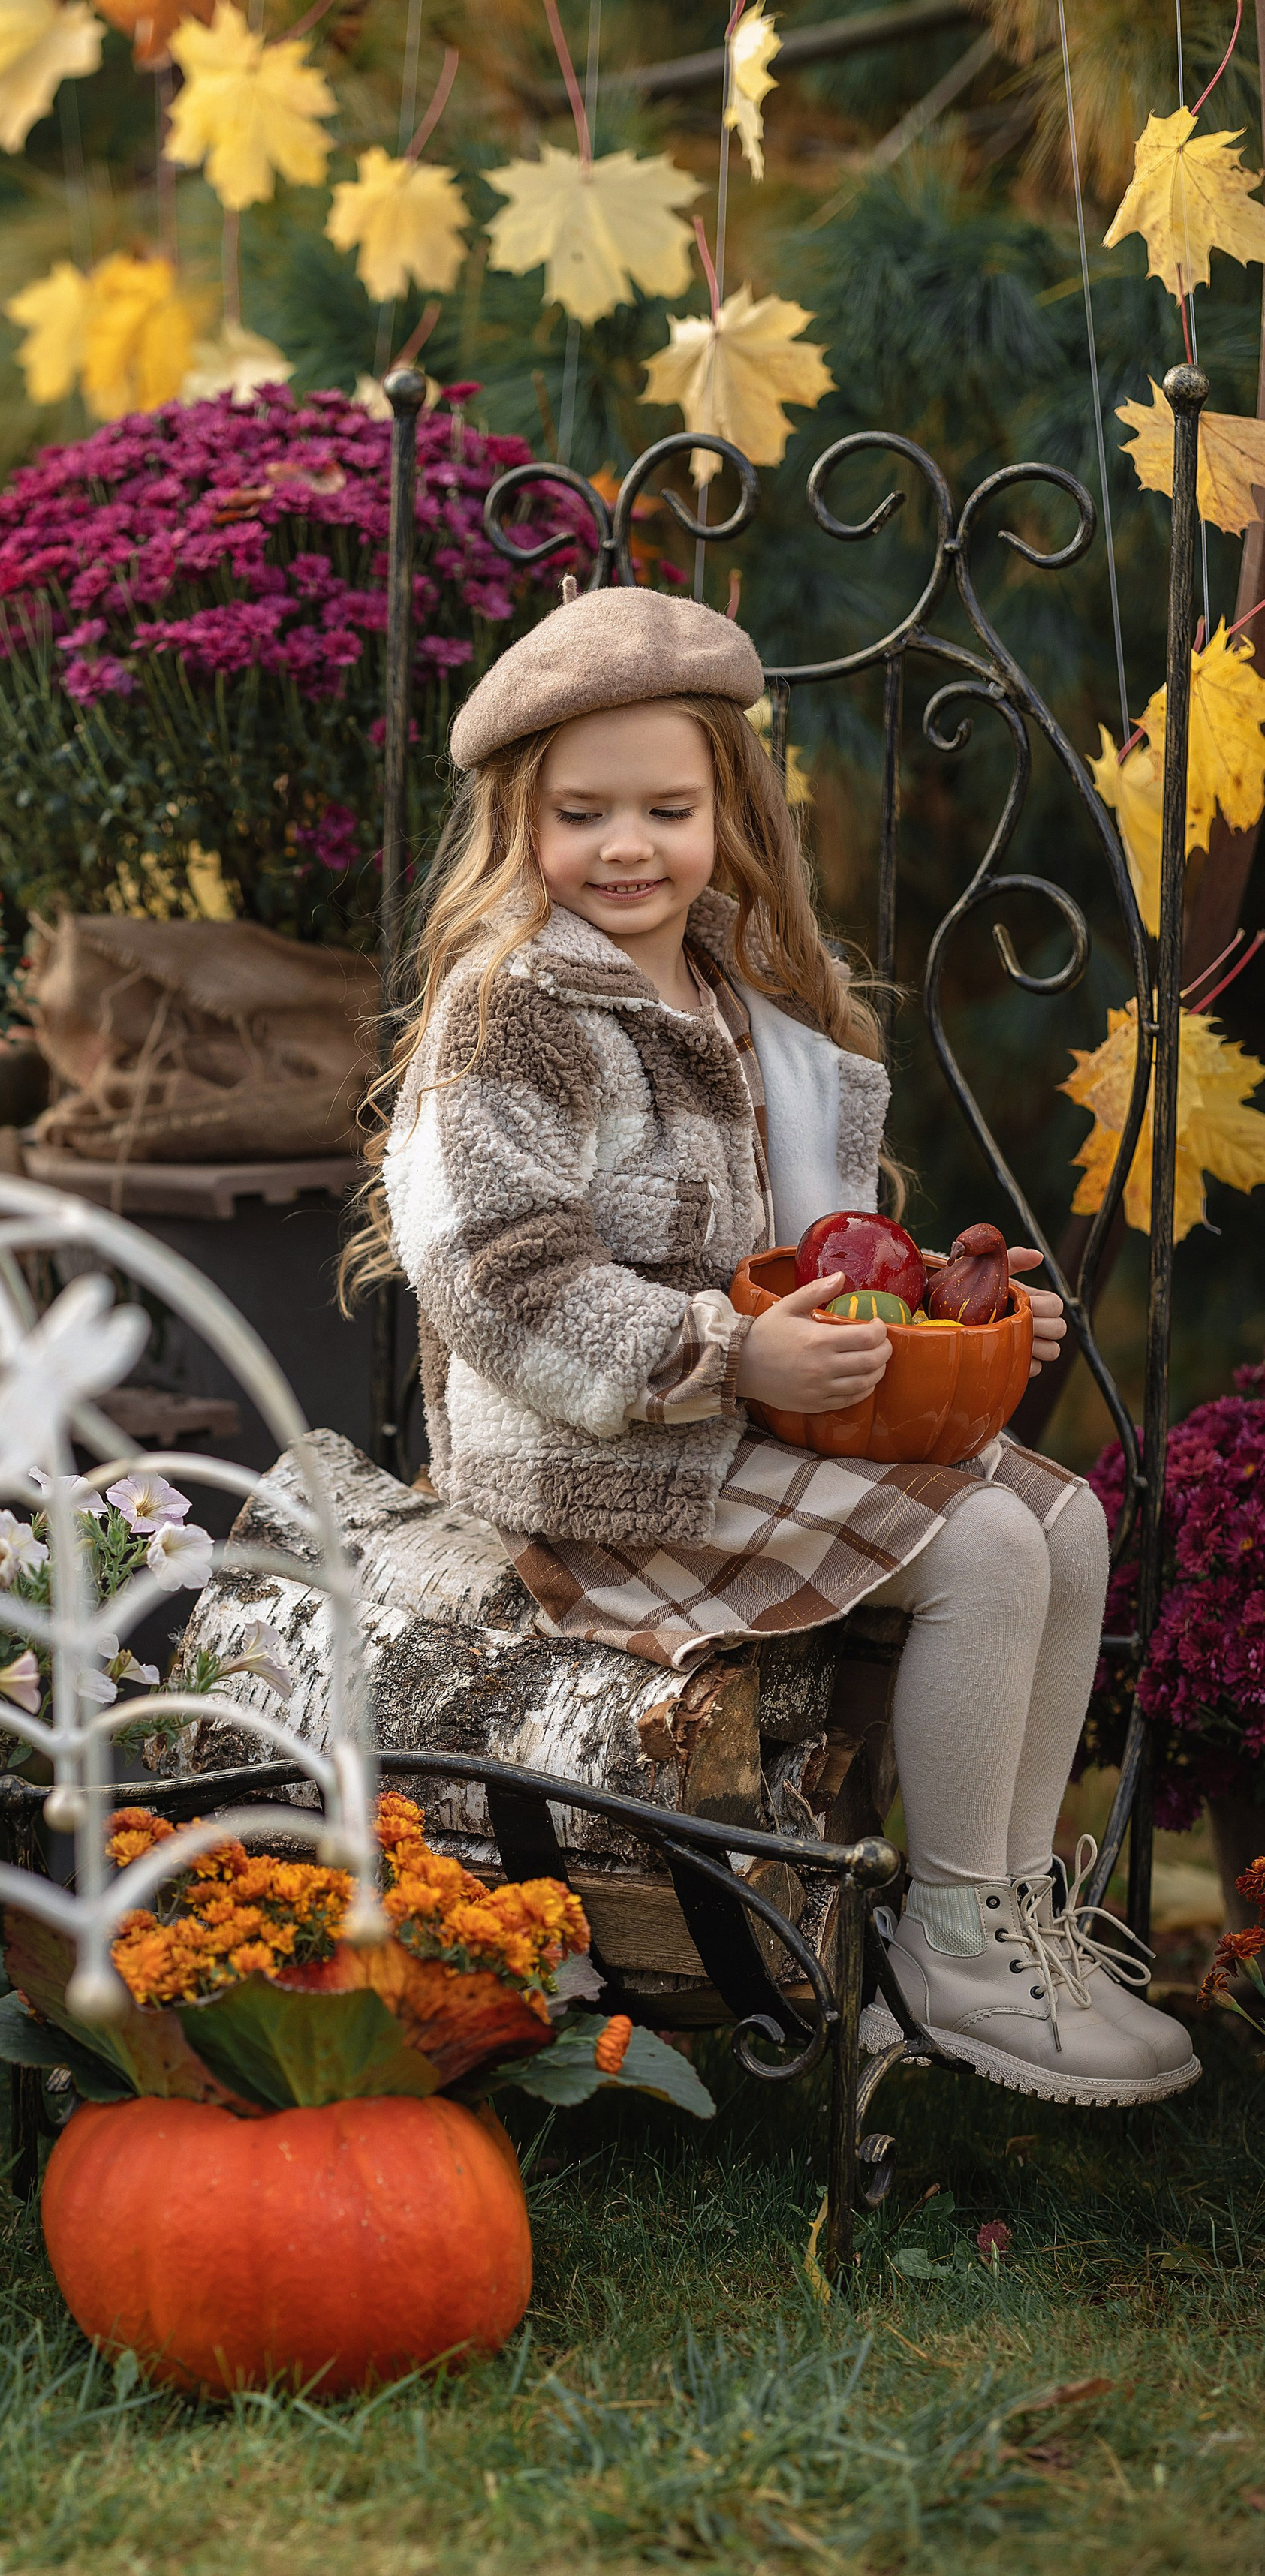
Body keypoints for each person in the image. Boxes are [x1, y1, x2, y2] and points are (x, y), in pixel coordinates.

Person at [351, 585, 1195, 2105]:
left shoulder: (735, 990)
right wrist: (724, 1360)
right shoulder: (510, 1015)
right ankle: (944, 1937)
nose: (624, 848)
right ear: (517, 826)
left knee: (1062, 1519)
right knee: (984, 1553)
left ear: (725, 810)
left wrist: (957, 1305)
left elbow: (808, 1252)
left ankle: (1006, 1910)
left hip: (744, 1425)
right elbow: (494, 1273)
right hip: (595, 1461)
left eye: (664, 809)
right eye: (581, 815)